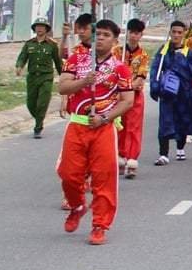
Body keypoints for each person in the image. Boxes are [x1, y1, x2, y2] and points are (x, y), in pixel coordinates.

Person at [56, 19, 134, 246]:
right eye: (97, 33)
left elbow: (127, 101)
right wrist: (83, 82)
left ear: (114, 41)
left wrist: (105, 117)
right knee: (69, 174)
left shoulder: (120, 68)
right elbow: (62, 87)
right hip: (77, 126)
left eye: (105, 35)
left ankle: (100, 225)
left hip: (102, 128)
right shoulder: (76, 60)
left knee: (103, 179)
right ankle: (77, 205)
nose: (99, 38)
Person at [148, 20, 192, 165]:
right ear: (170, 33)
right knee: (164, 122)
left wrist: (182, 61)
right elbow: (155, 69)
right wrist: (155, 86)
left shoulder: (188, 53)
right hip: (167, 93)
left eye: (179, 32)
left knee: (182, 120)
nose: (176, 35)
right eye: (173, 32)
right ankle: (163, 154)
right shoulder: (163, 51)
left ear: (183, 34)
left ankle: (180, 147)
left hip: (184, 92)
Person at [16, 17, 62, 138]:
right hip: (32, 77)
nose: (40, 28)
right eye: (38, 26)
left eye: (42, 26)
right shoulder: (29, 44)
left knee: (42, 102)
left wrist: (63, 75)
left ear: (46, 29)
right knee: (31, 104)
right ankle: (39, 118)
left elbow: (58, 61)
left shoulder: (52, 45)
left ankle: (38, 127)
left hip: (46, 77)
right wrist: (19, 66)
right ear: (34, 28)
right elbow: (22, 57)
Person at [114, 19, 149, 179]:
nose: (133, 36)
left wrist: (128, 87)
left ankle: (132, 159)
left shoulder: (143, 55)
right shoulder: (117, 52)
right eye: (131, 32)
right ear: (126, 33)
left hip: (134, 96)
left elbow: (140, 77)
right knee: (120, 126)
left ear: (141, 35)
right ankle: (120, 157)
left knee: (134, 128)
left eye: (137, 33)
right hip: (117, 96)